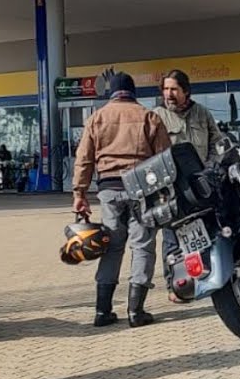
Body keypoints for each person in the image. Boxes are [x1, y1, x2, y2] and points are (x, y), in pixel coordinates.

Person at [72, 68, 171, 327]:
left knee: (112, 246)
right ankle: (136, 311)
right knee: (142, 246)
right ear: (133, 93)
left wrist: (79, 193)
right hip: (142, 189)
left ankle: (102, 312)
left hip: (109, 189)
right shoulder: (149, 116)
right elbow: (164, 158)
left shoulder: (97, 118)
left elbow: (84, 160)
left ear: (112, 93)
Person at [146, 69, 222, 302]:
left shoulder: (202, 114)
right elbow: (148, 152)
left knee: (208, 230)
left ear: (186, 91)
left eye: (174, 89)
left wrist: (211, 166)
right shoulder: (156, 116)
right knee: (172, 235)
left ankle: (209, 277)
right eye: (165, 89)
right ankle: (175, 286)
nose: (168, 94)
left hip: (201, 183)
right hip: (172, 187)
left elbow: (216, 142)